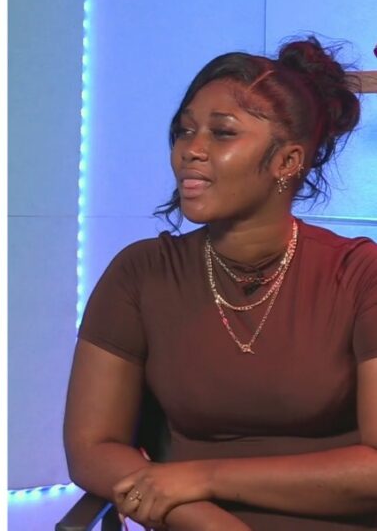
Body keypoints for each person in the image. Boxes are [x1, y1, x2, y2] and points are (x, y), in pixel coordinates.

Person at [64, 37, 377, 530]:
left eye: (222, 133)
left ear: (288, 161)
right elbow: (91, 448)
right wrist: (208, 520)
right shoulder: (140, 273)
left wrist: (204, 477)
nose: (190, 150)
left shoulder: (360, 275)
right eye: (184, 131)